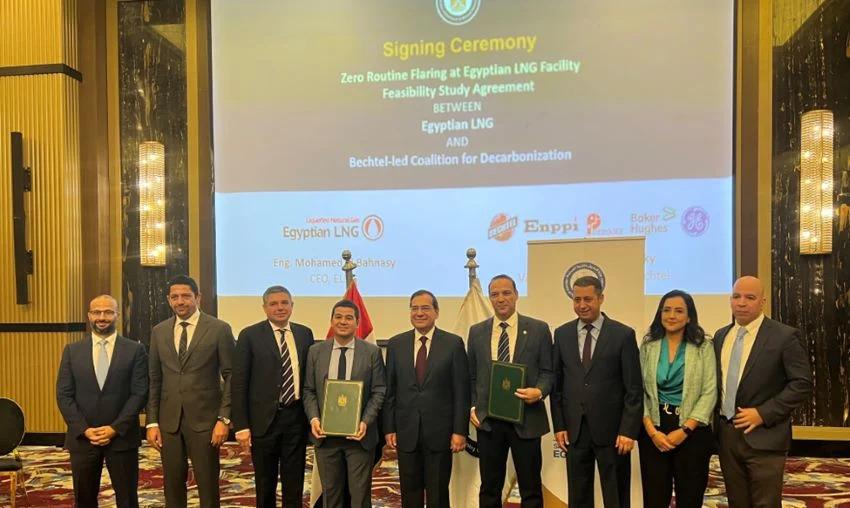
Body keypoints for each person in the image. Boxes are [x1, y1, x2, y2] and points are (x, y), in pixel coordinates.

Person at [714, 276, 812, 508]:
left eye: (750, 297)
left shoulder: (784, 337)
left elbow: (802, 384)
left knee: (765, 504)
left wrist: (763, 413)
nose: (742, 303)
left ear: (763, 301)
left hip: (765, 436)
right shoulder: (720, 336)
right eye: (736, 297)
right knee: (737, 503)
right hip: (727, 436)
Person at [550, 275, 642, 508]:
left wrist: (628, 430)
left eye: (588, 299)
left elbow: (633, 388)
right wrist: (559, 425)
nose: (582, 305)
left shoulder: (623, 334)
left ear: (600, 298)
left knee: (616, 495)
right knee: (578, 495)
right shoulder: (562, 334)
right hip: (575, 430)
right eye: (577, 299)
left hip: (613, 433)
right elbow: (557, 386)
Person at [146, 275, 235, 508]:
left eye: (186, 296)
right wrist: (152, 422)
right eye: (174, 297)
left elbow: (232, 376)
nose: (180, 301)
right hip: (169, 422)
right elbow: (155, 379)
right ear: (168, 300)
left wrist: (224, 419)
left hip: (206, 422)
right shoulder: (159, 331)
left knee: (207, 485)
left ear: (198, 297)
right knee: (172, 485)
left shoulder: (219, 329)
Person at [467, 274, 553, 508]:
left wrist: (539, 391)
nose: (501, 299)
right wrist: (474, 405)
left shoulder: (538, 329)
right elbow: (472, 376)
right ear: (490, 298)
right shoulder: (476, 332)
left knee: (530, 487)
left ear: (516, 295)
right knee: (489, 487)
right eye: (494, 294)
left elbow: (548, 372)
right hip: (489, 421)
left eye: (506, 293)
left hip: (526, 418)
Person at [56, 294, 148, 508]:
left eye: (108, 312)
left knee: (127, 499)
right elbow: (64, 394)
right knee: (84, 499)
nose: (102, 317)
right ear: (89, 316)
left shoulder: (135, 350)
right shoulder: (72, 351)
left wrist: (115, 428)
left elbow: (140, 393)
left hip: (122, 438)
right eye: (97, 312)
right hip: (83, 438)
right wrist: (83, 429)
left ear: (118, 315)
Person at [383, 289, 470, 508]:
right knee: (409, 492)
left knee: (438, 494)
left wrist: (459, 430)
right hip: (406, 432)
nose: (419, 313)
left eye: (425, 308)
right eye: (414, 308)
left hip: (440, 434)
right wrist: (389, 428)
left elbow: (461, 391)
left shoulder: (453, 344)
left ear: (436, 312)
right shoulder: (395, 344)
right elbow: (390, 391)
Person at [232, 285, 315, 507]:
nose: (280, 308)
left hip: (295, 419)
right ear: (264, 307)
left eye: (284, 303)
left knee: (294, 481)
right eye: (274, 303)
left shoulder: (304, 333)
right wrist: (241, 425)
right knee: (265, 482)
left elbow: (309, 378)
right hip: (263, 421)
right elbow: (239, 383)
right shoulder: (249, 335)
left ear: (292, 306)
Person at [303, 299, 386, 508]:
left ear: (357, 323)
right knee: (331, 496)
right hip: (325, 436)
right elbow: (309, 390)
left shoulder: (372, 352)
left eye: (349, 318)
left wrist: (365, 422)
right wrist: (314, 418)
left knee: (359, 496)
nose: (343, 322)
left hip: (359, 437)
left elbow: (378, 391)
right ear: (331, 321)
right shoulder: (315, 351)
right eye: (338, 317)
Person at [637, 290, 716, 508]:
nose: (671, 315)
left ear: (689, 316)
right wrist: (652, 431)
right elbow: (639, 391)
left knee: (690, 496)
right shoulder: (648, 345)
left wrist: (686, 430)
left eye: (679, 311)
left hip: (692, 430)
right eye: (667, 310)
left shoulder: (703, 346)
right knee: (654, 496)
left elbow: (710, 391)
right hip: (654, 429)